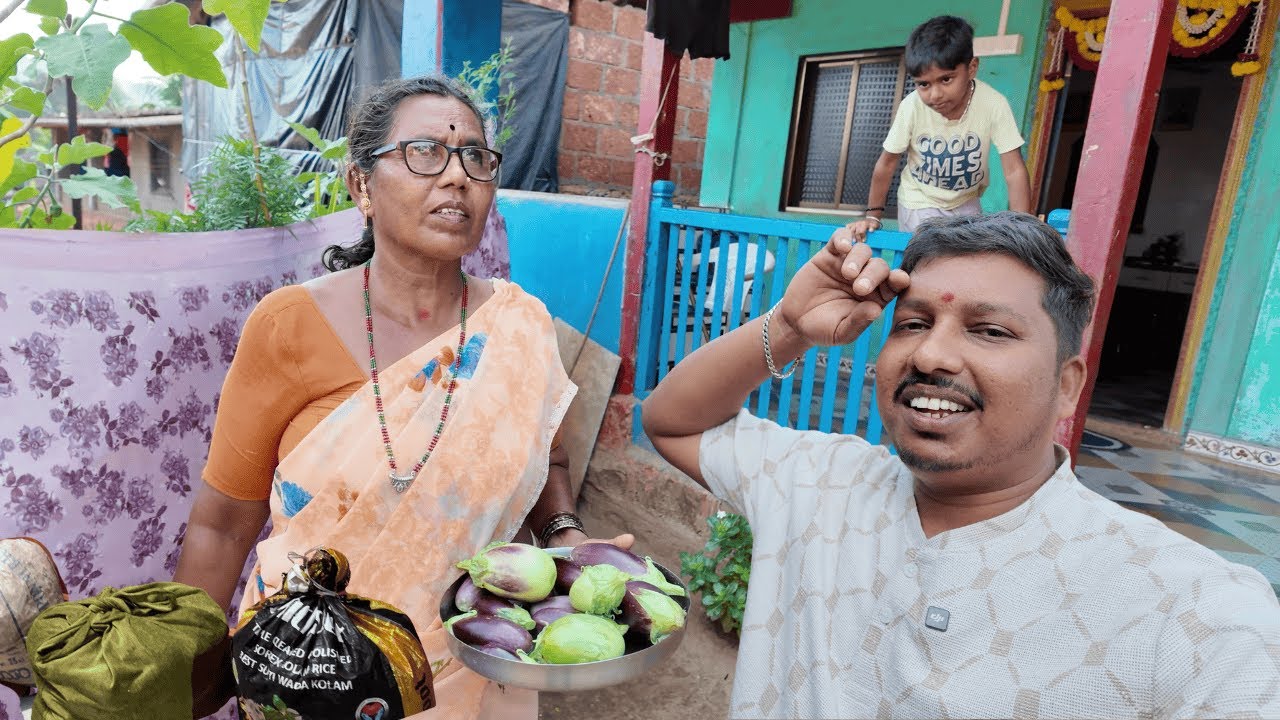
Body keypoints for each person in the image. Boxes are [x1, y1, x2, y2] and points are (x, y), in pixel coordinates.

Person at [641, 212, 1280, 718]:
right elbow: (673, 421)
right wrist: (788, 325)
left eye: (990, 331)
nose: (932, 354)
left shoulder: (1183, 604)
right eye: (913, 323)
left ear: (1066, 385)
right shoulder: (823, 482)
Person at [175, 75, 629, 720]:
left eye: (476, 157)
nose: (456, 177)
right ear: (361, 186)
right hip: (306, 667)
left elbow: (547, 463)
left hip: (470, 664)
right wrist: (183, 669)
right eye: (424, 153)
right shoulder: (288, 325)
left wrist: (568, 535)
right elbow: (222, 523)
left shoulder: (520, 326)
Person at [848, 16, 1032, 240]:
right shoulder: (912, 107)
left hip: (966, 201)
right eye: (924, 84)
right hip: (919, 200)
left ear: (972, 68)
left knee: (965, 261)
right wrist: (873, 215)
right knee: (927, 259)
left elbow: (1014, 170)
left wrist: (1022, 228)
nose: (935, 95)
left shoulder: (993, 104)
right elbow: (887, 163)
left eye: (946, 80)